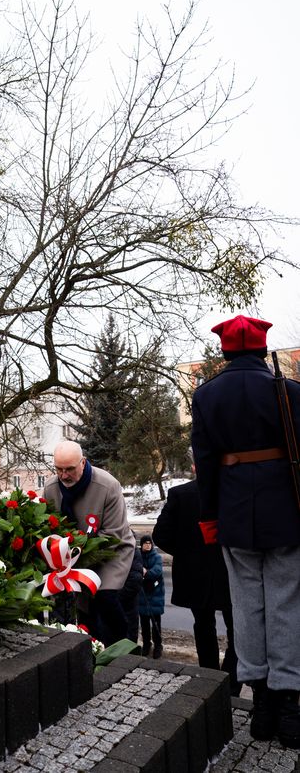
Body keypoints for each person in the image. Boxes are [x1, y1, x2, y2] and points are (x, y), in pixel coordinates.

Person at [192, 314, 300, 749]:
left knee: (246, 607)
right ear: (262, 347)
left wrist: (209, 518)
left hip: (235, 516)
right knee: (286, 606)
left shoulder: (206, 395)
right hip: (287, 515)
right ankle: (289, 704)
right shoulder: (290, 391)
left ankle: (261, 706)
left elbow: (205, 466)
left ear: (224, 351)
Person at [152, 479, 240, 695]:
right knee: (238, 631)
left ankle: (210, 680)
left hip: (195, 573)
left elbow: (161, 535)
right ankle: (231, 686)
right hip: (232, 571)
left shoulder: (181, 493)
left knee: (203, 626)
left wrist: (186, 554)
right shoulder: (235, 487)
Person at [44, 440, 135, 646]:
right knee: (76, 609)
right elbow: (49, 528)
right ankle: (88, 647)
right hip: (71, 557)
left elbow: (113, 534)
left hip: (111, 553)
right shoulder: (50, 488)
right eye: (58, 469)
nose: (63, 476)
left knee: (105, 597)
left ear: (83, 462)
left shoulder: (108, 486)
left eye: (69, 469)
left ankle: (122, 646)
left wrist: (74, 555)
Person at [137, 534, 165, 658]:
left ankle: (158, 646)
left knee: (156, 623)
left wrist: (146, 573)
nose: (147, 545)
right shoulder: (138, 557)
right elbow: (135, 569)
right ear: (141, 545)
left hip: (155, 595)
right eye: (145, 543)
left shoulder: (157, 557)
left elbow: (157, 571)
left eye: (149, 543)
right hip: (142, 595)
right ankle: (146, 644)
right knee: (144, 624)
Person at [118, 536, 144, 643]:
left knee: (126, 642)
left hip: (127, 607)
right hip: (115, 608)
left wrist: (114, 598)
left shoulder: (131, 549)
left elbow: (135, 581)